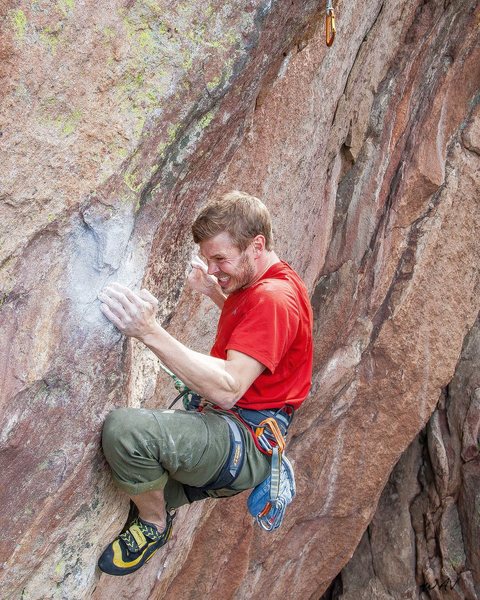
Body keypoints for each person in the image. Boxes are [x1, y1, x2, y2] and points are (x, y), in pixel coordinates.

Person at [96, 191, 313, 576]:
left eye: (220, 259)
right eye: (209, 259)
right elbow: (258, 334)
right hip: (247, 428)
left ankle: (154, 525)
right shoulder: (274, 278)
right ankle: (160, 502)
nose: (213, 269)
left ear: (256, 245)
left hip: (242, 438)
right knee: (133, 484)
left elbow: (228, 388)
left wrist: (148, 331)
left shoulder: (274, 299)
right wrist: (215, 292)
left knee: (125, 432)